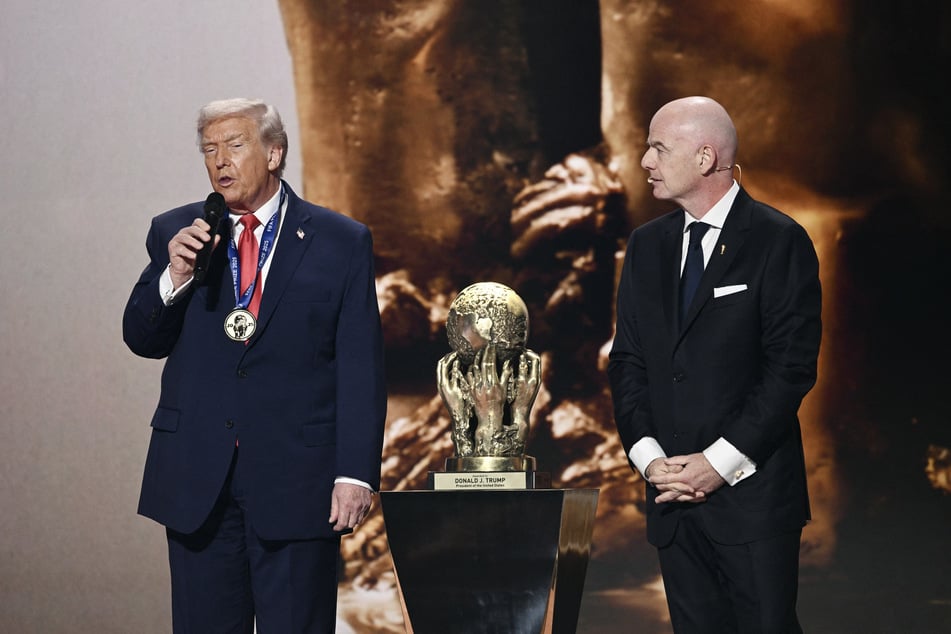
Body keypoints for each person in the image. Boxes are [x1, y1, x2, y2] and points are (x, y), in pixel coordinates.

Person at [122, 98, 387, 633]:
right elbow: (142, 338)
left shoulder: (340, 241)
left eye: (234, 146)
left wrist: (355, 473)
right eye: (209, 150)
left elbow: (361, 366)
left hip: (298, 481)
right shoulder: (178, 232)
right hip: (198, 482)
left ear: (274, 153)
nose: (220, 161)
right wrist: (173, 276)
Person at [607, 96, 821, 633]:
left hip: (752, 502)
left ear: (705, 158)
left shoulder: (778, 240)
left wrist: (717, 464)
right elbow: (628, 362)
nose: (645, 162)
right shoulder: (646, 246)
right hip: (672, 502)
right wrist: (651, 460)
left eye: (658, 147)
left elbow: (789, 369)